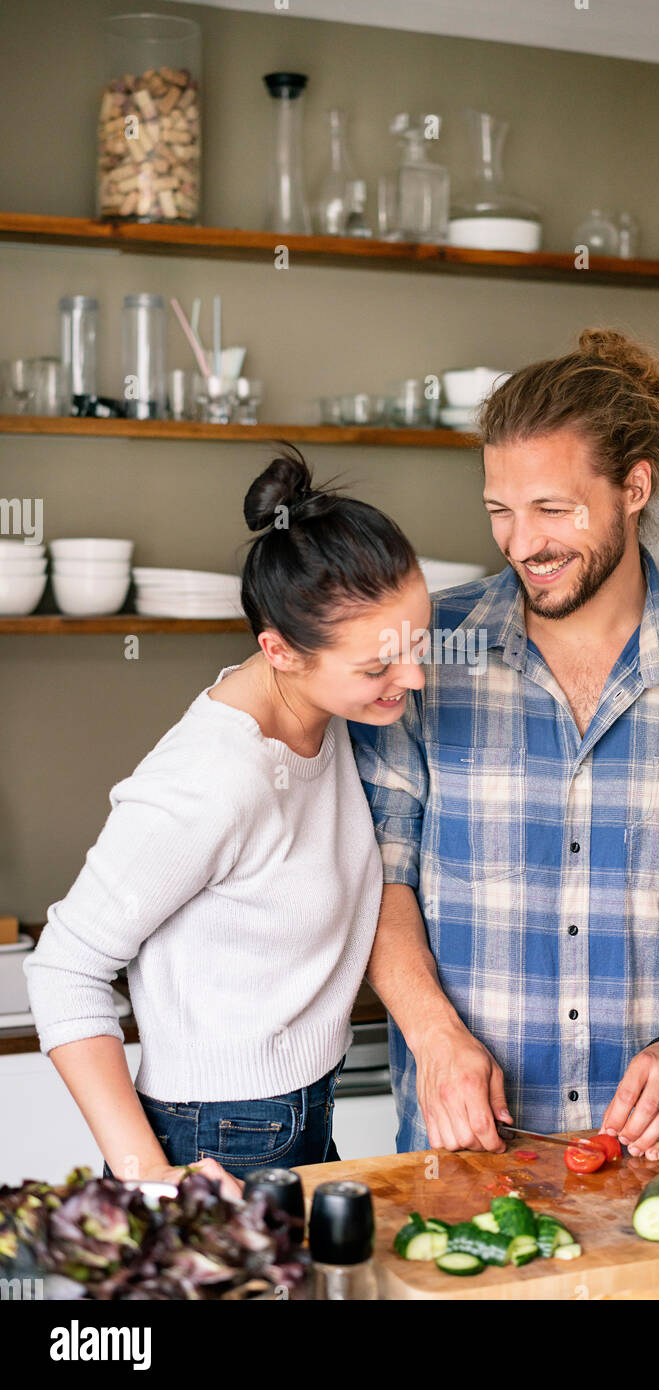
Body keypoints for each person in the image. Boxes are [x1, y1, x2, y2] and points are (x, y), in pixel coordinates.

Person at [350, 329, 659, 1160]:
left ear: (633, 487)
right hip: (466, 1144)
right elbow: (373, 871)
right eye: (500, 509)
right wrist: (431, 1035)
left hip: (658, 1153)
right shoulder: (427, 655)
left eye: (552, 509)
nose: (521, 542)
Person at [25, 448, 430, 1198]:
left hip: (301, 1109)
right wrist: (149, 1175)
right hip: (212, 1137)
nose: (410, 680)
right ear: (278, 650)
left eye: (418, 644)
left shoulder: (326, 709)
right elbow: (61, 969)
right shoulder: (212, 780)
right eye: (378, 666)